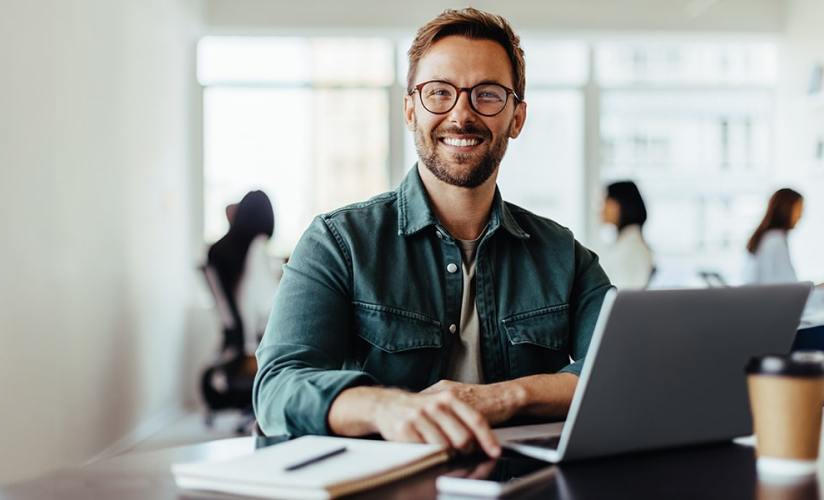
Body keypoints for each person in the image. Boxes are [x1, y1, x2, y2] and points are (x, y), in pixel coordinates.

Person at [253, 8, 612, 457]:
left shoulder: (565, 256)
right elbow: (278, 387)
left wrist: (503, 396)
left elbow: (619, 373)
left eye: (487, 95)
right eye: (439, 93)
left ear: (516, 118)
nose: (461, 114)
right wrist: (386, 407)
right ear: (410, 110)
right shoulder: (338, 242)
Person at [743, 188, 824, 310]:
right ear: (786, 209)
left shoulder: (768, 238)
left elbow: (788, 288)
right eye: (799, 209)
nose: (801, 215)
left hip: (765, 315)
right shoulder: (775, 242)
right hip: (774, 319)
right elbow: (790, 295)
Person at [207, 190, 277, 355]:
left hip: (234, 343)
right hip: (253, 345)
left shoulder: (218, 251)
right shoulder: (257, 248)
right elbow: (264, 306)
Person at [600, 181, 654, 289]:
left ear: (621, 204)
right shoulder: (625, 242)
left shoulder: (633, 248)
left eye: (606, 201)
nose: (602, 209)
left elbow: (625, 294)